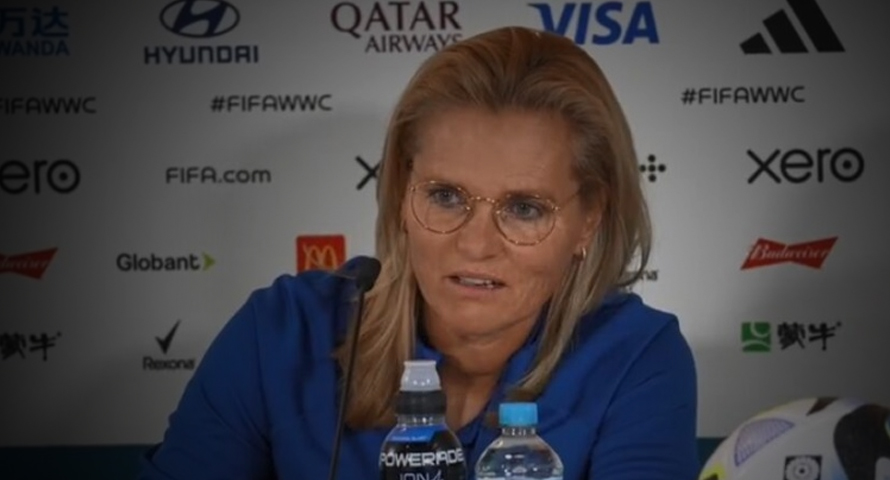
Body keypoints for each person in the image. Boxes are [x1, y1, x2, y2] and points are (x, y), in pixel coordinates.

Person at [139, 25, 699, 480]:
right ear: (402, 195)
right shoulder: (282, 334)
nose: (475, 244)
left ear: (589, 219)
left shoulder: (636, 358)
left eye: (525, 208)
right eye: (446, 196)